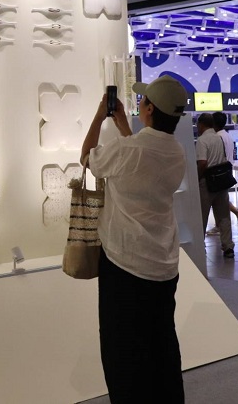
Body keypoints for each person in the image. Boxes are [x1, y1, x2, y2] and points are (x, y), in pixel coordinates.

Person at [81, 75, 187, 403]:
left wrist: (100, 115)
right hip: (164, 265)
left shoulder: (129, 150)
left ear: (150, 109)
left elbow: (87, 158)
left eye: (143, 100)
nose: (140, 103)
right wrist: (125, 126)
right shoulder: (177, 152)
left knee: (123, 354)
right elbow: (140, 159)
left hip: (125, 265)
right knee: (161, 344)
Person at [196, 113, 236, 258]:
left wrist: (197, 178)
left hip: (207, 182)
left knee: (202, 216)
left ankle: (200, 246)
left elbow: (202, 163)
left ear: (201, 124)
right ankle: (228, 247)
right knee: (224, 215)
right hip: (222, 181)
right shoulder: (218, 138)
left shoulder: (202, 140)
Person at [212, 111, 238, 232]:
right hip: (226, 170)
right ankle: (222, 223)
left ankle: (236, 216)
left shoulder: (217, 137)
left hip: (220, 172)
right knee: (220, 199)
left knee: (219, 199)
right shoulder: (227, 136)